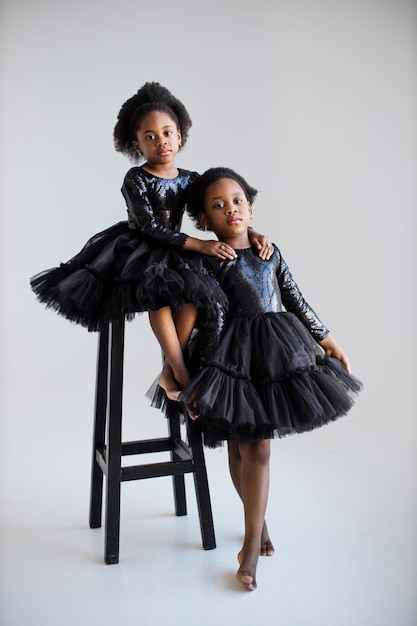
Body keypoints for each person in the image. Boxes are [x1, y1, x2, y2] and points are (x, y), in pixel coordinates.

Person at [179, 167, 363, 591]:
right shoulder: (206, 259)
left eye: (238, 200)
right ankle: (257, 526)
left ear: (251, 206)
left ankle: (248, 549)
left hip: (277, 353)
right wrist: (184, 371)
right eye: (218, 205)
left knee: (258, 447)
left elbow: (294, 296)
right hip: (228, 358)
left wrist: (329, 340)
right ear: (204, 220)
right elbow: (200, 314)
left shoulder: (269, 251)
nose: (231, 210)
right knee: (237, 445)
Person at [30, 83, 271, 399]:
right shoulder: (136, 178)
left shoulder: (190, 178)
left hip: (177, 251)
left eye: (167, 133)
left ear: (180, 136)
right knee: (157, 297)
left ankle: (170, 372)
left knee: (193, 298)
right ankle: (182, 374)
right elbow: (148, 226)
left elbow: (213, 210)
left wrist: (251, 232)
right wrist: (198, 245)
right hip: (138, 250)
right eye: (150, 137)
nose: (161, 142)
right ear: (136, 144)